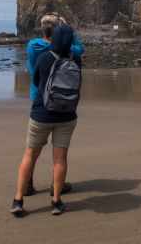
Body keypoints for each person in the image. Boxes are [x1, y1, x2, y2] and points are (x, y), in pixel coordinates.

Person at [11, 24, 82, 217]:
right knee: (60, 159)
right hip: (67, 116)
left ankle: (18, 200)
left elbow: (35, 82)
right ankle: (56, 201)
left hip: (41, 114)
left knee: (30, 155)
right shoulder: (76, 58)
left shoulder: (43, 58)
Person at [24, 14, 84, 197]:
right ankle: (57, 186)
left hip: (39, 99)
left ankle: (26, 185)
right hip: (64, 101)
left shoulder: (33, 46)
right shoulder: (69, 49)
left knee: (32, 150)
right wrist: (68, 29)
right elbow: (80, 48)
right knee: (60, 152)